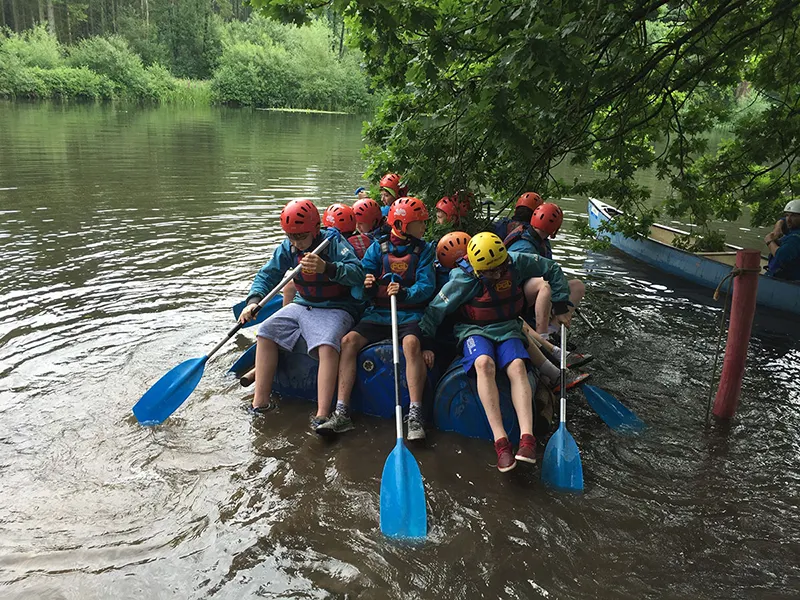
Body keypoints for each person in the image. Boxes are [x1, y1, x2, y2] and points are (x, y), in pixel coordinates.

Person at [419, 232, 572, 472]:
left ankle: (527, 440)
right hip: (473, 329)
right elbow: (435, 310)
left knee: (518, 366)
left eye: (501, 268)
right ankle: (501, 442)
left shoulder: (515, 262)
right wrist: (426, 342)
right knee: (483, 363)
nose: (499, 274)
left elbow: (551, 268)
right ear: (478, 269)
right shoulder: (463, 278)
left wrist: (561, 303)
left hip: (508, 327)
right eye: (492, 272)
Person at [316, 197, 436, 439]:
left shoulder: (424, 251)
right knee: (348, 341)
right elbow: (358, 286)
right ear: (401, 225)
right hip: (379, 313)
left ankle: (415, 414)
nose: (424, 227)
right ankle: (342, 412)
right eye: (420, 222)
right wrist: (367, 287)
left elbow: (427, 286)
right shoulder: (377, 248)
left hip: (408, 314)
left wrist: (405, 292)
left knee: (411, 343)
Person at [238, 199, 365, 425]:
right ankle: (260, 403)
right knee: (266, 331)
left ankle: (322, 414)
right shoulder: (288, 247)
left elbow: (357, 273)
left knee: (326, 344)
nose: (296, 243)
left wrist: (327, 267)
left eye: (301, 237)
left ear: (315, 228)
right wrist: (254, 300)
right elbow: (268, 274)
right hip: (303, 303)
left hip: (337, 307)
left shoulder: (334, 243)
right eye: (291, 237)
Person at [505, 202, 585, 337]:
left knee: (577, 286)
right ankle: (542, 335)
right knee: (545, 284)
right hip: (518, 295)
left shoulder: (539, 240)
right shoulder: (525, 247)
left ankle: (553, 329)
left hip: (530, 290)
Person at [765, 199, 800, 280]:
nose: (788, 220)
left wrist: (769, 241)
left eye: (794, 216)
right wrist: (777, 228)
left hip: (785, 281)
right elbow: (782, 220)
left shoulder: (795, 238)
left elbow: (781, 256)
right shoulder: (794, 227)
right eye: (787, 215)